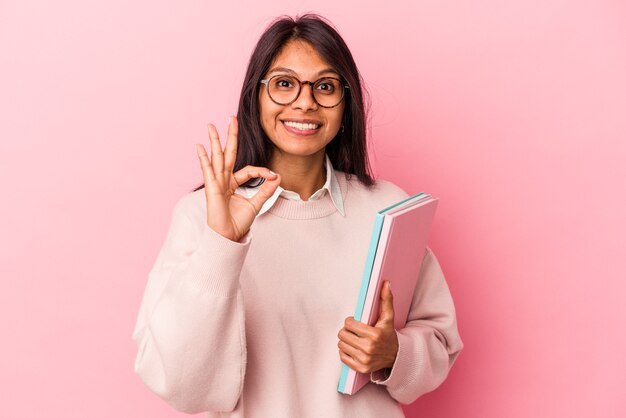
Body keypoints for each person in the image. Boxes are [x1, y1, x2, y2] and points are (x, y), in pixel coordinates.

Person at [132, 14, 463, 418]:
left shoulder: (387, 209)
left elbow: (441, 343)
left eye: (324, 87)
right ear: (256, 95)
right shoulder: (199, 216)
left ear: (346, 103)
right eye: (284, 84)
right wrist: (222, 244)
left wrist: (395, 353)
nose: (305, 103)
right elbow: (181, 385)